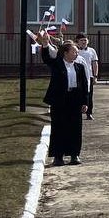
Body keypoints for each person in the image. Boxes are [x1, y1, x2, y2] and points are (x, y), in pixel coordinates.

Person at [39, 33, 88, 166]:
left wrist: (85, 102)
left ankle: (74, 155)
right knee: (59, 127)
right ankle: (58, 157)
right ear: (66, 53)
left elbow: (84, 86)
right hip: (59, 100)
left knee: (75, 128)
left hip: (75, 100)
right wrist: (44, 44)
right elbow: (46, 58)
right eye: (74, 51)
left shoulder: (79, 67)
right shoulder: (57, 64)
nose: (76, 54)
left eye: (77, 52)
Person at [73, 34, 98, 121]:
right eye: (81, 40)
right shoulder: (75, 51)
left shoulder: (91, 51)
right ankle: (76, 112)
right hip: (76, 76)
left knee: (88, 95)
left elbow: (94, 63)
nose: (84, 42)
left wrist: (95, 76)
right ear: (77, 41)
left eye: (85, 40)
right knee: (77, 95)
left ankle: (89, 113)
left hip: (88, 76)